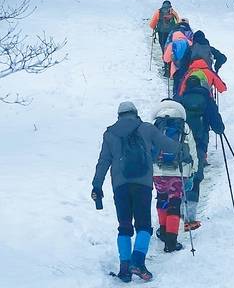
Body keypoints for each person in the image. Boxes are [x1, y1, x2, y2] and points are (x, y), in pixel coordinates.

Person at [91, 101, 183, 283]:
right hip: (143, 184)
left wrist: (97, 185)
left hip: (120, 185)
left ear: (119, 115)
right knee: (143, 226)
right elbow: (168, 144)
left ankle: (124, 268)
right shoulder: (146, 128)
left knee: (124, 226)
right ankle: (138, 262)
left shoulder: (110, 134)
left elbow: (103, 161)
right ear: (135, 113)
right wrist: (181, 150)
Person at [179, 76, 225, 231]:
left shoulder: (180, 99)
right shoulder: (206, 99)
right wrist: (220, 129)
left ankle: (178, 212)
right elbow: (216, 122)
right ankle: (190, 216)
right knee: (196, 176)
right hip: (199, 142)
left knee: (182, 175)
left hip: (183, 143)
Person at [152, 100, 198, 252]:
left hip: (158, 171)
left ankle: (163, 231)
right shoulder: (183, 126)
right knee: (175, 201)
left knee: (162, 198)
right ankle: (171, 242)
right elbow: (192, 150)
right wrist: (194, 169)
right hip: (179, 171)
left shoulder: (155, 126)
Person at [149, 0, 180, 76]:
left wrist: (155, 27)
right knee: (170, 49)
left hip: (161, 33)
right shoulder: (173, 12)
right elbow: (178, 22)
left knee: (164, 49)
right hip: (171, 34)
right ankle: (170, 67)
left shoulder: (158, 12)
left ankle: (166, 67)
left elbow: (151, 24)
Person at [163, 20, 193, 97]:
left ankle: (176, 98)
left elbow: (166, 59)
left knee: (176, 85)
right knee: (185, 84)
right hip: (187, 68)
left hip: (175, 69)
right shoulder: (189, 42)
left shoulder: (172, 44)